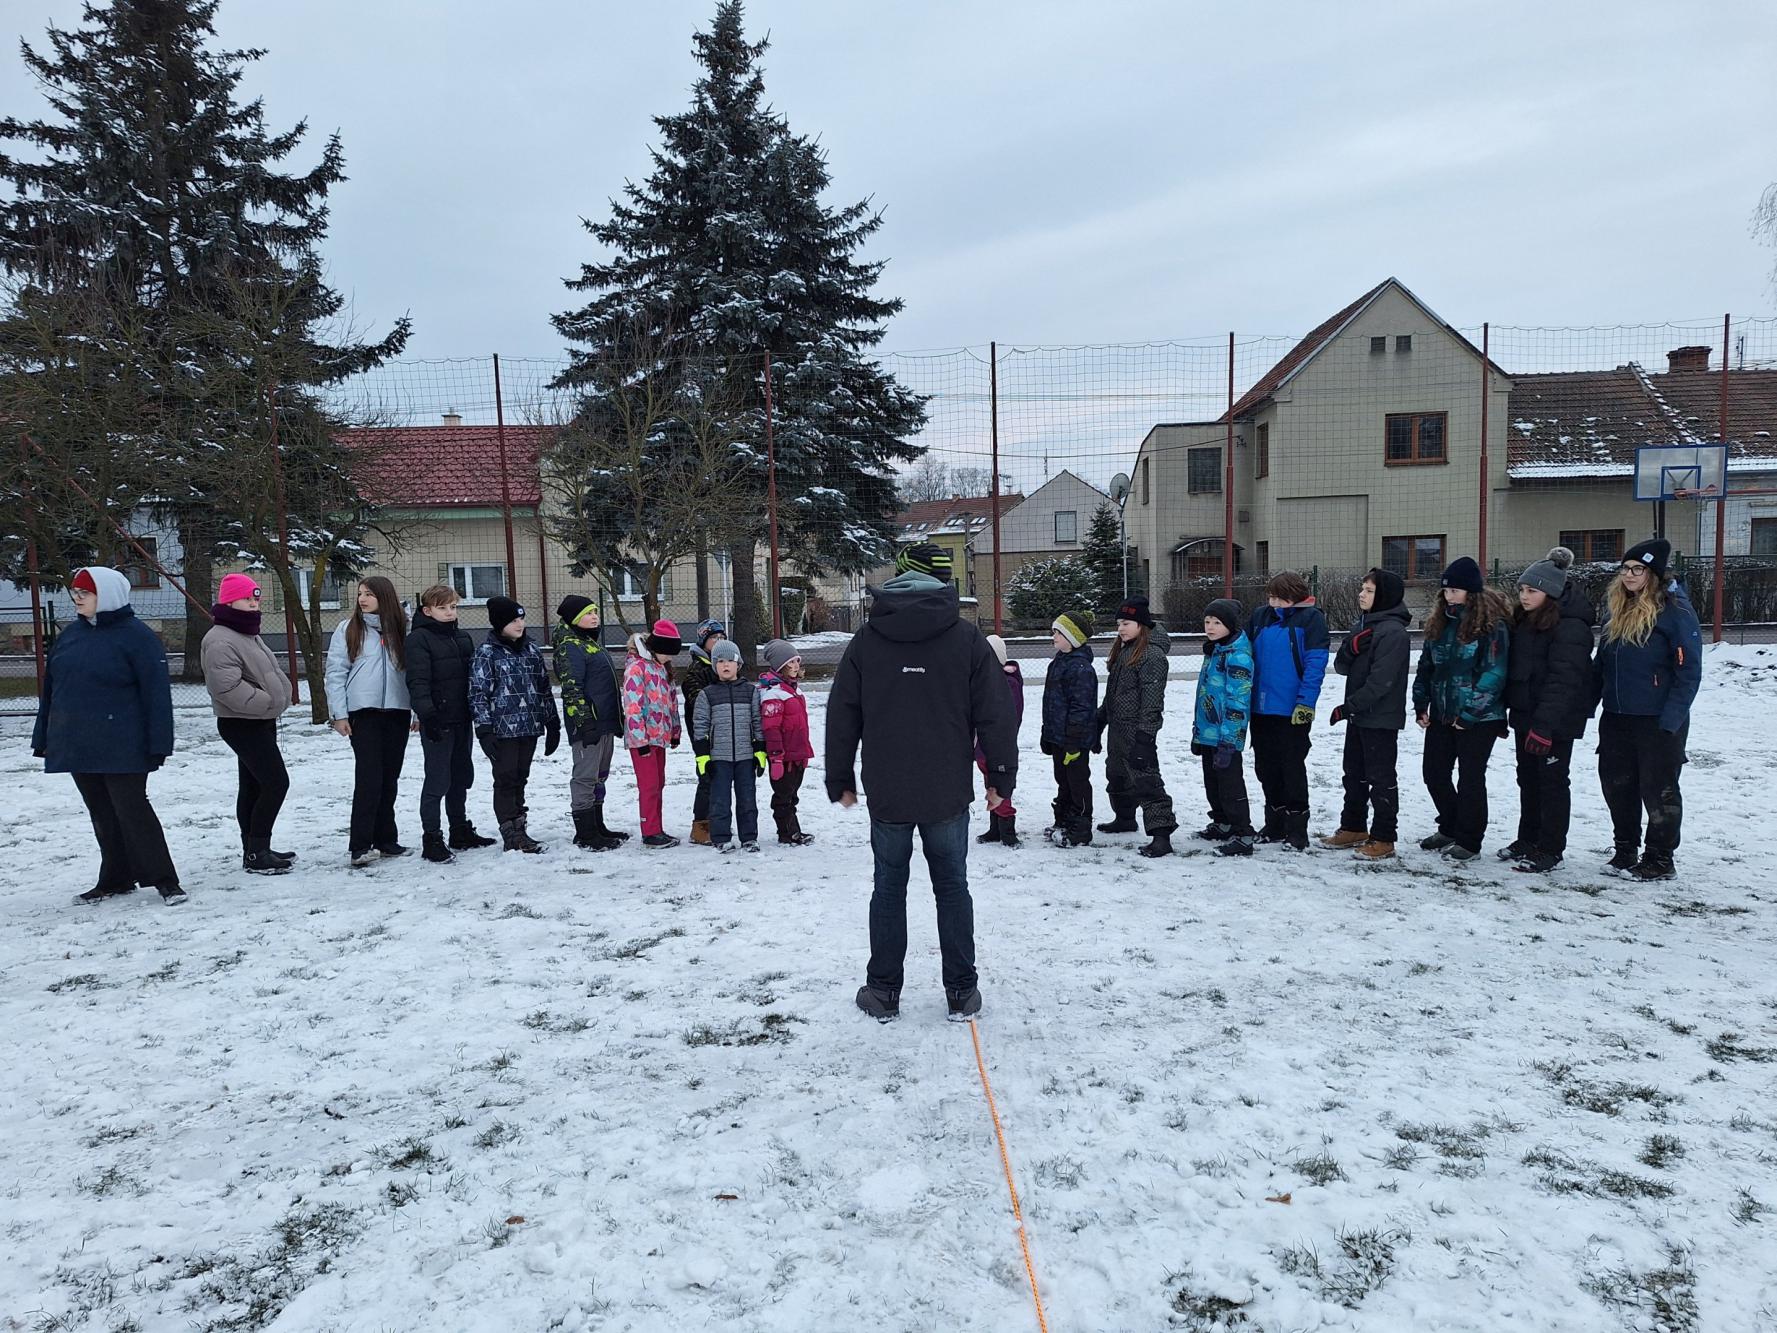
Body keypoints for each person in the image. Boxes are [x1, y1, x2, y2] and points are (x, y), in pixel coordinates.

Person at [827, 541, 1016, 1022]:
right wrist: (1000, 776)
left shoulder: (867, 640)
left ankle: (883, 992)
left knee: (888, 887)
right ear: (945, 582)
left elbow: (841, 714)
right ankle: (962, 992)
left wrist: (840, 776)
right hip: (946, 789)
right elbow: (996, 714)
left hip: (889, 790)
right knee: (952, 886)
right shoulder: (967, 639)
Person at [32, 566, 184, 906]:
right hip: (78, 742)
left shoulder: (138, 637)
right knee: (100, 811)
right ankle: (115, 878)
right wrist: (43, 736)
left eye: (85, 592)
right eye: (75, 592)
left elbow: (156, 696)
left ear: (108, 594)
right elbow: (53, 690)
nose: (77, 597)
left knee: (133, 810)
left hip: (124, 744)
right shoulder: (70, 636)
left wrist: (159, 743)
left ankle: (165, 880)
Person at [1593, 538, 1701, 881]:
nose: (1628, 575)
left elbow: (1689, 671)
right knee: (1617, 784)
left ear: (1652, 574)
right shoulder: (1615, 608)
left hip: (1658, 720)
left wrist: (1671, 719)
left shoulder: (1675, 611)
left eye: (1637, 569)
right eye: (1625, 568)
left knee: (1659, 791)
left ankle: (1659, 858)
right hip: (1617, 716)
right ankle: (1625, 849)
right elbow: (1604, 663)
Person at [1500, 548, 1597, 874]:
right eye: (1522, 590)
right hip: (1527, 714)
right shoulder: (1527, 622)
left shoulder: (1571, 628)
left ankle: (1551, 847)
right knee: (1527, 778)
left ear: (1551, 592)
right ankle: (1528, 837)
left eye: (1532, 591)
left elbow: (1564, 681)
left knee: (1552, 781)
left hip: (1556, 721)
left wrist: (1544, 726)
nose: (1524, 597)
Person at [1412, 557, 1511, 861]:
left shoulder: (1492, 627)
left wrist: (1469, 715)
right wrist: (1420, 703)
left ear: (1470, 592)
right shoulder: (1439, 625)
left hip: (1480, 719)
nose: (1448, 596)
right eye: (1445, 591)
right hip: (1442, 713)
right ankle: (1450, 824)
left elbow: (1494, 674)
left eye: (1455, 590)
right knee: (1434, 773)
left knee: (1470, 778)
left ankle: (1470, 840)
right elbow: (1427, 668)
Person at [201, 572, 293, 875]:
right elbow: (226, 688)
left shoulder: (247, 633)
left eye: (256, 598)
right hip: (241, 722)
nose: (254, 603)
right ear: (228, 601)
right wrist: (267, 701)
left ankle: (255, 850)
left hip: (259, 719)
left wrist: (282, 692)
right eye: (246, 598)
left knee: (253, 786)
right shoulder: (219, 639)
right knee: (276, 782)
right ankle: (257, 850)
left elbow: (268, 672)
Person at [325, 575, 417, 868]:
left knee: (390, 778)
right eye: (360, 593)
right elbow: (336, 672)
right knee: (368, 779)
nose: (362, 599)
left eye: (369, 594)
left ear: (384, 597)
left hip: (397, 712)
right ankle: (360, 845)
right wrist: (339, 714)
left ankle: (386, 840)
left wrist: (416, 711)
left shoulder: (404, 628)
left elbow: (414, 674)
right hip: (362, 713)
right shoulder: (348, 628)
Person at [1322, 568, 1412, 860]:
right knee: (1354, 774)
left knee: (1380, 777)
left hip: (1380, 717)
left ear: (1384, 595)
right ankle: (1353, 826)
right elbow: (1342, 666)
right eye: (1362, 588)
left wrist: (1349, 706)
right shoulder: (1362, 624)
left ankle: (1384, 837)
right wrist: (1351, 647)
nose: (1361, 594)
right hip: (1359, 715)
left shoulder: (1394, 632)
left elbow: (1381, 682)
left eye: (1369, 590)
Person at [405, 584, 495, 863]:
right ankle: (432, 837)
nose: (449, 612)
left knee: (460, 776)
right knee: (437, 779)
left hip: (462, 719)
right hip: (438, 721)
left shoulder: (463, 637)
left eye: (453, 607)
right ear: (427, 610)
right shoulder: (418, 639)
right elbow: (418, 681)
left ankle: (459, 828)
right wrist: (427, 715)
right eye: (442, 608)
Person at [469, 596, 561, 853]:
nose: (519, 624)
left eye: (521, 619)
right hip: (502, 730)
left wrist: (552, 722)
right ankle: (510, 831)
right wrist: (484, 729)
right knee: (506, 778)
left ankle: (521, 827)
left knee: (521, 776)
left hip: (529, 726)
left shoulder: (531, 650)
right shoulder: (486, 653)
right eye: (513, 620)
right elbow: (478, 693)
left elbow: (543, 687)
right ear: (499, 623)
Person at [1244, 572, 1329, 850]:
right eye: (1270, 596)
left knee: (1291, 768)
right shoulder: (1260, 617)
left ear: (1294, 597)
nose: (1273, 602)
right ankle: (1274, 823)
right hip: (1260, 708)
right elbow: (1243, 649)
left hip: (1291, 709)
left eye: (1278, 597)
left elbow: (1315, 664)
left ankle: (1297, 829)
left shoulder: (1311, 619)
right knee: (1265, 768)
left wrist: (1306, 703)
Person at [1095, 595, 1177, 858]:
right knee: (1116, 775)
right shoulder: (1124, 650)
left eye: (1127, 623)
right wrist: (1099, 721)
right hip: (1118, 728)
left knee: (1145, 780)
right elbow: (1114, 694)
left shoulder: (1151, 656)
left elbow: (1153, 702)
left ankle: (1161, 835)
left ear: (1142, 624)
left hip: (1137, 731)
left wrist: (1145, 737)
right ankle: (1124, 818)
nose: (1121, 628)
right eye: (1119, 623)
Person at [554, 594, 627, 851]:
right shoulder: (570, 646)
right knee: (586, 776)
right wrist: (584, 722)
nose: (595, 616)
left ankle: (598, 825)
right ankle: (585, 833)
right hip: (589, 724)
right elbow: (572, 688)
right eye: (588, 613)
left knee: (600, 775)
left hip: (605, 721)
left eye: (595, 611)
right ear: (574, 618)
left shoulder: (590, 643)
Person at [1193, 598, 1257, 856]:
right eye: (1207, 621)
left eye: (1217, 622)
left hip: (1226, 736)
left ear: (1230, 625)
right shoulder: (1214, 650)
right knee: (1213, 781)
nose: (1210, 626)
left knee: (1230, 784)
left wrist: (1229, 740)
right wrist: (1198, 733)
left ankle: (1243, 833)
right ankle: (1223, 822)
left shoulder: (1238, 655)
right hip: (1209, 731)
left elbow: (1237, 700)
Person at [693, 639, 765, 852]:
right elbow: (700, 726)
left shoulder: (751, 692)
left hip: (745, 757)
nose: (726, 665)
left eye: (730, 661)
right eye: (720, 661)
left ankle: (749, 837)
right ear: (714, 665)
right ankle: (721, 836)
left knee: (747, 800)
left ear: (738, 664)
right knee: (720, 801)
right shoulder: (707, 694)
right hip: (719, 758)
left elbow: (757, 722)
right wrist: (703, 756)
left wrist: (760, 750)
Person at [623, 618, 685, 849]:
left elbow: (671, 703)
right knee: (648, 786)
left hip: (660, 737)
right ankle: (650, 832)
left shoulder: (661, 668)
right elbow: (633, 707)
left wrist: (675, 732)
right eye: (668, 652)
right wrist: (640, 740)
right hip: (644, 741)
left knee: (659, 783)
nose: (671, 658)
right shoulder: (637, 668)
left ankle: (657, 828)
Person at [1041, 609, 1098, 848]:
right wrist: (1047, 733)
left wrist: (1074, 739)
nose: (1053, 636)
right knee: (1062, 779)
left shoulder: (1081, 669)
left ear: (1073, 638)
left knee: (1077, 781)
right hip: (1057, 737)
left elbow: (1082, 707)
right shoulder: (1058, 662)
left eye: (1059, 632)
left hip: (1074, 740)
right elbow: (1051, 702)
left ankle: (1081, 826)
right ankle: (1063, 819)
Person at [759, 638, 815, 845]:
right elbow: (771, 729)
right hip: (783, 758)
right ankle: (785, 832)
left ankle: (794, 829)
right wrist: (775, 758)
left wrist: (804, 752)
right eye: (789, 663)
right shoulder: (773, 694)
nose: (795, 666)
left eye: (797, 661)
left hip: (797, 754)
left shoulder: (794, 690)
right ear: (779, 666)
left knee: (793, 795)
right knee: (783, 796)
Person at [975, 633, 1026, 846]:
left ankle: (1008, 829)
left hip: (996, 746)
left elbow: (1006, 718)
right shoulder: (984, 681)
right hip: (983, 746)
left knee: (1000, 785)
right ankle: (995, 827)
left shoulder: (1006, 684)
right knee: (990, 784)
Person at [681, 619, 725, 845]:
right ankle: (700, 826)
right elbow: (698, 702)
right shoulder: (696, 670)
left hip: (724, 731)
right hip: (703, 733)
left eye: (721, 638)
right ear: (703, 641)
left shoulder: (725, 664)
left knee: (722, 777)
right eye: (713, 638)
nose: (718, 642)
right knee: (707, 776)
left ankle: (717, 821)